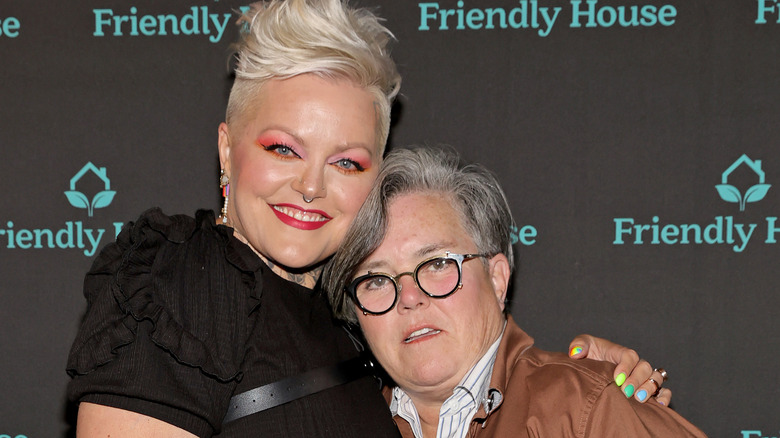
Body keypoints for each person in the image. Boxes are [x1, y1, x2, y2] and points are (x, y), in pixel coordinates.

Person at [67, 1, 670, 437]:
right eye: (283, 149)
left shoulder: (358, 318)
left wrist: (593, 393)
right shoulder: (186, 277)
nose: (311, 184)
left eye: (347, 163)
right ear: (227, 149)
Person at [325, 147, 707, 438]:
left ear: (497, 279)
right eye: (375, 280)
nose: (408, 297)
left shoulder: (586, 412)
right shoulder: (338, 424)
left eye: (437, 264)